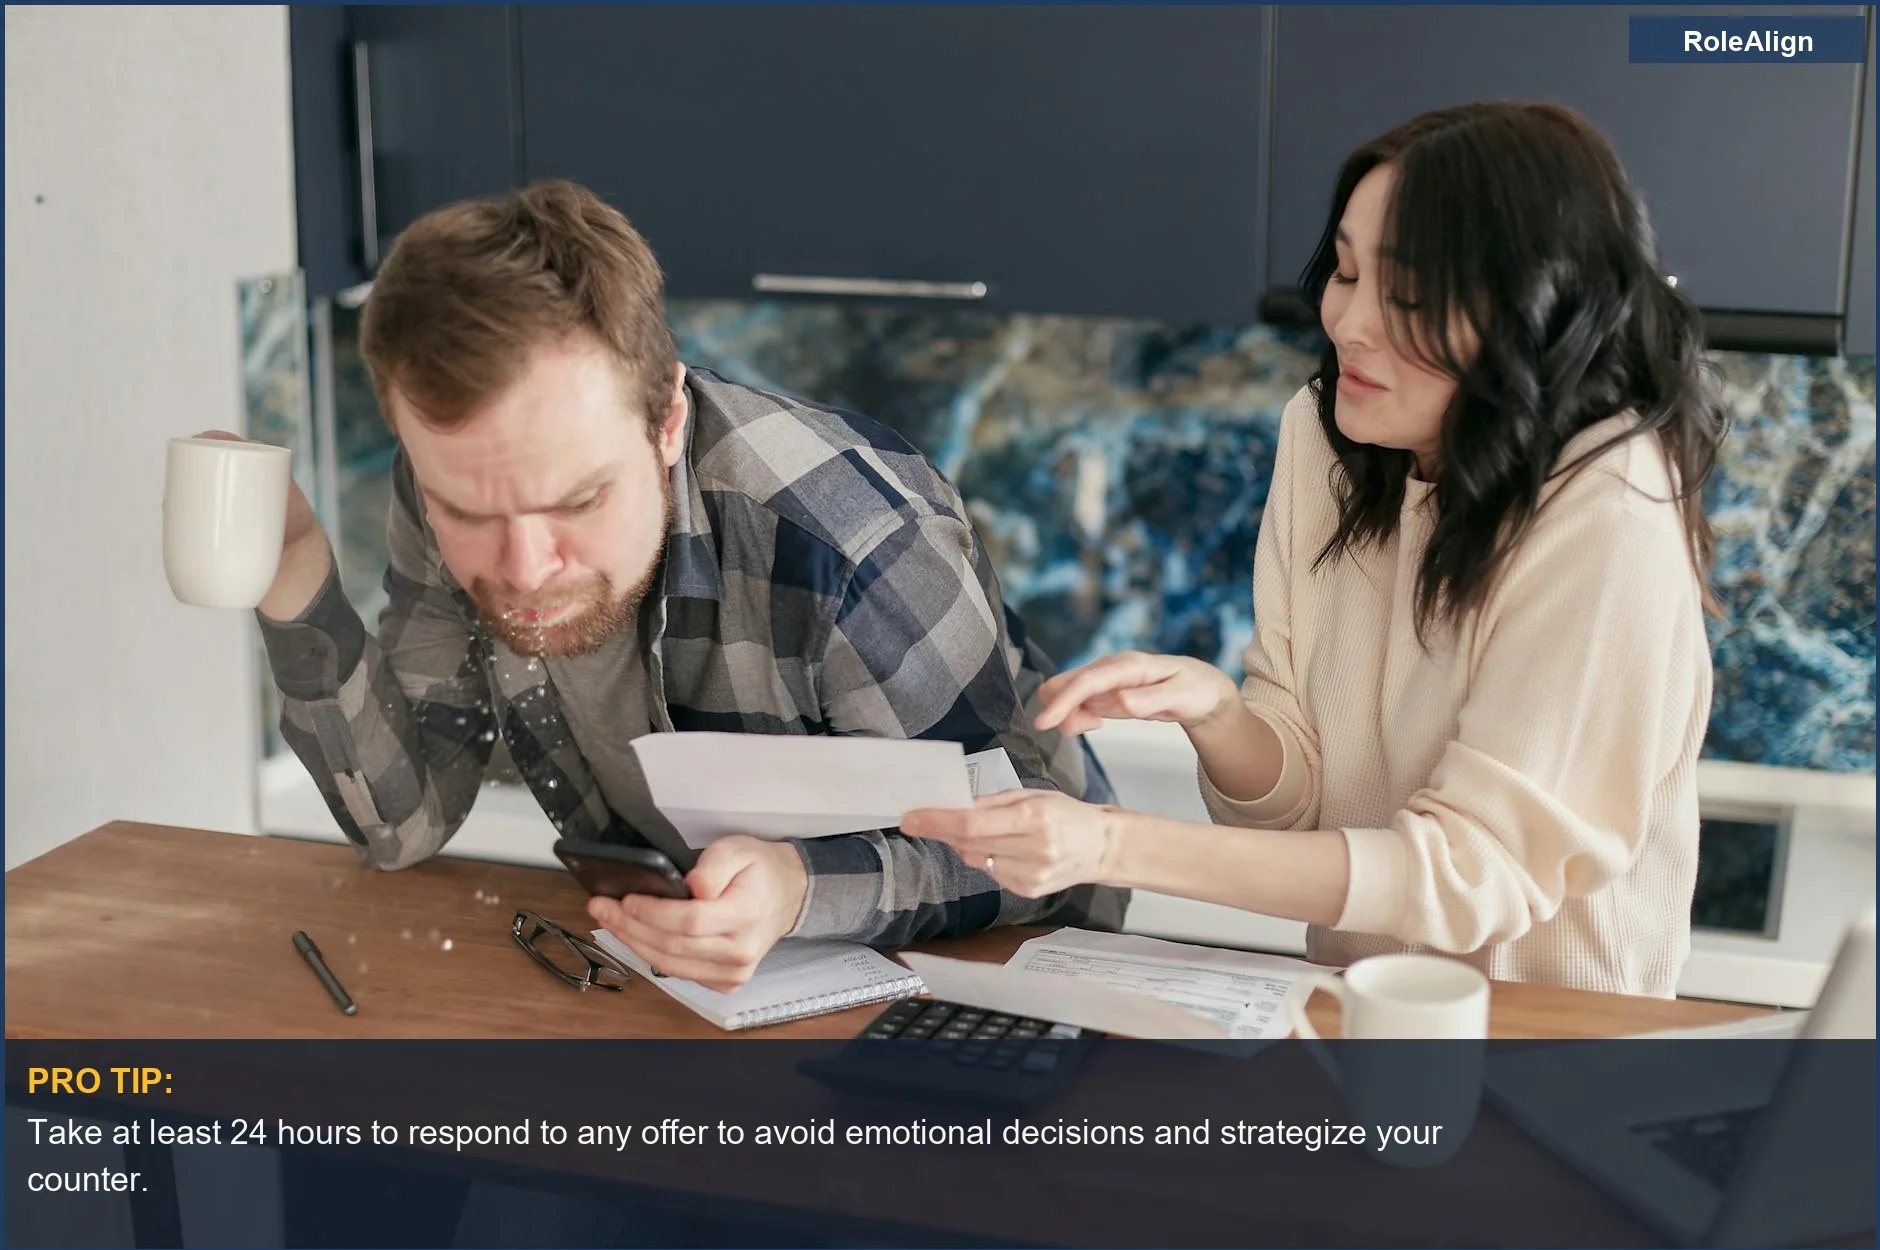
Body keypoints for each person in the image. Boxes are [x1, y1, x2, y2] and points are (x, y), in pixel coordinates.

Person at [903, 101, 1725, 998]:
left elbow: (1468, 870)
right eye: (1344, 271)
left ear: (1528, 311)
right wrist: (1219, 715)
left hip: (1553, 1035)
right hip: (1347, 1010)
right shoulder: (1330, 435)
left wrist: (1109, 843)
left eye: (1406, 294)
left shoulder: (1609, 508)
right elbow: (1302, 803)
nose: (1349, 322)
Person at [249, 180, 1123, 992]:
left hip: (1011, 980)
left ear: (666, 421)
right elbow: (404, 825)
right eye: (464, 509)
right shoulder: (459, 477)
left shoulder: (856, 543)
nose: (522, 569)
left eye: (580, 499)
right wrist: (293, 571)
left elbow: (1024, 853)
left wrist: (797, 887)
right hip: (699, 989)